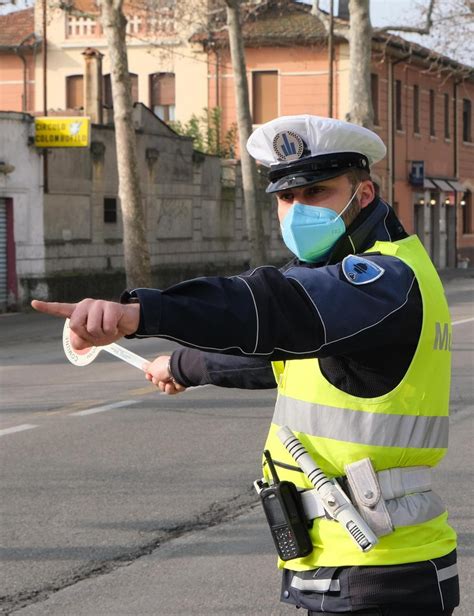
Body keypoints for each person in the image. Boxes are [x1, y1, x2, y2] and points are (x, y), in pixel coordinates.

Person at [32, 115, 459, 615]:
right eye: (286, 197)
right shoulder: (358, 281)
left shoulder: (382, 277)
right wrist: (182, 364)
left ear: (363, 195)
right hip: (346, 562)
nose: (298, 210)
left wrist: (140, 313)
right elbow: (284, 360)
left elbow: (274, 309)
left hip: (382, 572)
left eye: (317, 191)